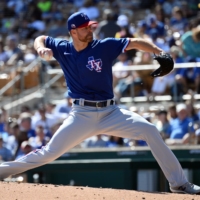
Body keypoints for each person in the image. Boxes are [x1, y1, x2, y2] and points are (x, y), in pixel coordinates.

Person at [0, 12, 199, 195]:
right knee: (49, 153)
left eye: (90, 26)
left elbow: (135, 42)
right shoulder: (63, 48)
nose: (90, 30)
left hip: (111, 112)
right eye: (86, 27)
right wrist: (40, 48)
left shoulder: (103, 46)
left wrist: (158, 52)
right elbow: (40, 38)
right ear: (74, 31)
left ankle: (179, 183)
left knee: (149, 129)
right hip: (81, 114)